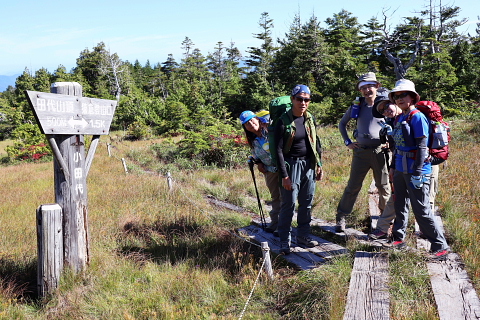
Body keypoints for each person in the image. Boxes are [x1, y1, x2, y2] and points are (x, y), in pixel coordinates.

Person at [388, 79, 449, 259]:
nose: (399, 99)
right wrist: (392, 167)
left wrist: (417, 172)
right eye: (396, 96)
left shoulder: (417, 117)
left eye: (403, 95)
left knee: (421, 208)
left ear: (412, 97)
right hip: (400, 167)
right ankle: (398, 239)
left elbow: (422, 147)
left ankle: (440, 245)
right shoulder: (400, 117)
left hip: (416, 170)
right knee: (400, 204)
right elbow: (397, 146)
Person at [336, 72, 391, 232]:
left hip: (381, 152)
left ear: (377, 86)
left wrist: (390, 142)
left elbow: (395, 124)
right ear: (360, 90)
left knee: (383, 187)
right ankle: (341, 218)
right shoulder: (357, 106)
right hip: (360, 152)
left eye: (370, 87)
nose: (367, 90)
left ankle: (385, 220)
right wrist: (348, 142)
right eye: (363, 88)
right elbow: (342, 124)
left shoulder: (385, 105)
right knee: (353, 186)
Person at [274, 84, 323, 255]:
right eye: (299, 99)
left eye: (306, 99)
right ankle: (284, 242)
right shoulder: (283, 121)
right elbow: (278, 150)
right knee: (289, 204)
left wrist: (319, 165)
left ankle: (303, 236)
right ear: (292, 99)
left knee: (306, 203)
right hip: (291, 165)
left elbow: (316, 143)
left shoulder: (309, 118)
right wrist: (284, 175)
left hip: (308, 165)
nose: (303, 102)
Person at [239, 110, 281, 235]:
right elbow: (255, 154)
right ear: (245, 127)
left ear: (257, 119)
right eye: (247, 124)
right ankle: (274, 223)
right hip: (270, 170)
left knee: (285, 197)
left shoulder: (268, 130)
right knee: (275, 197)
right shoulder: (252, 139)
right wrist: (258, 163)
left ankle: (282, 226)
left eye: (252, 120)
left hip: (283, 168)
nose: (251, 124)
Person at [368, 99, 403, 239]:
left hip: (419, 167)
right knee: (396, 197)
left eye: (387, 106)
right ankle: (385, 229)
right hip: (400, 164)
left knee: (424, 205)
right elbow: (396, 149)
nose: (386, 111)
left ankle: (437, 241)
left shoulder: (411, 117)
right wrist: (393, 167)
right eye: (383, 111)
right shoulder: (392, 122)